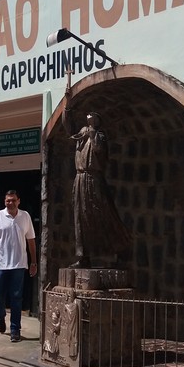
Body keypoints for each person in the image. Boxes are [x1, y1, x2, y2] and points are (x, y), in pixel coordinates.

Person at [62, 85, 131, 268]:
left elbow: (100, 150)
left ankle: (121, 249)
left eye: (93, 116)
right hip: (80, 179)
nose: (89, 117)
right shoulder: (82, 135)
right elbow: (68, 127)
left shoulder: (99, 136)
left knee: (103, 215)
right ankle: (83, 256)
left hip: (94, 179)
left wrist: (92, 134)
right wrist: (67, 103)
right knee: (80, 217)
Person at [0, 189, 37, 343]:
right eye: (8, 200)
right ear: (4, 202)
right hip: (1, 264)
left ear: (18, 201)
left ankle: (15, 330)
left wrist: (33, 262)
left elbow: (31, 240)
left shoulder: (25, 216)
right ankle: (0, 316)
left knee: (16, 298)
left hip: (19, 265)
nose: (10, 203)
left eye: (13, 200)